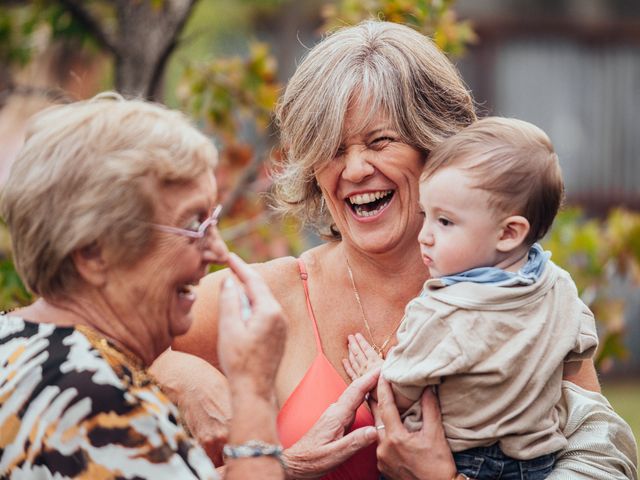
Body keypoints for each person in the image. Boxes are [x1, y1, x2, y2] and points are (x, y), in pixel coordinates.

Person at [151, 20, 638, 480]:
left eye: (380, 142)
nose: (356, 169)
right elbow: (90, 329)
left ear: (436, 148)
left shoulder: (527, 300)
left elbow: (605, 460)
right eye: (334, 149)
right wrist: (178, 374)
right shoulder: (264, 296)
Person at [0, 93, 288, 479]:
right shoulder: (95, 400)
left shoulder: (14, 343)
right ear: (93, 253)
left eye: (213, 219)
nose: (218, 249)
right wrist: (252, 396)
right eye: (193, 225)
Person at [344, 117, 599, 480]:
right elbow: (579, 348)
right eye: (425, 215)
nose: (425, 236)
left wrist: (376, 375)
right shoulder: (558, 287)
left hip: (466, 461)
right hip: (541, 462)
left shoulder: (446, 310)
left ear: (509, 232)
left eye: (444, 222)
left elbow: (401, 390)